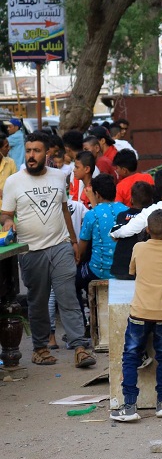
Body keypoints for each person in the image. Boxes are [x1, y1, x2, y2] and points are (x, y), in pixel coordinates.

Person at [1, 132, 94, 368]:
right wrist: (8, 224)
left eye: (37, 151)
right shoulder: (14, 181)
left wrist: (73, 241)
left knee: (68, 296)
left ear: (47, 153)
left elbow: (64, 210)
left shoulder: (59, 176)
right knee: (38, 301)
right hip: (31, 251)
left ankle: (80, 347)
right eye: (29, 150)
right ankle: (40, 349)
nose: (31, 156)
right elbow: (6, 214)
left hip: (60, 245)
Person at [110, 209, 162, 422]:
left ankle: (130, 406)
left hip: (139, 312)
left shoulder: (138, 247)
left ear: (146, 229)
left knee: (131, 356)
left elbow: (132, 270)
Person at [76, 174, 126, 319]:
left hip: (98, 272)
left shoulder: (92, 215)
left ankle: (83, 322)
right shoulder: (126, 210)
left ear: (96, 194)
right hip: (123, 271)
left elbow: (82, 248)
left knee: (72, 282)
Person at [111, 182, 155, 278]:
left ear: (131, 199)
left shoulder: (122, 216)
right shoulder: (151, 216)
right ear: (151, 200)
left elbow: (114, 237)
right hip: (143, 265)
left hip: (121, 265)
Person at [0, 134, 14, 199]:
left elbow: (16, 184)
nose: (9, 148)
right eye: (6, 146)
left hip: (6, 205)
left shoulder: (11, 162)